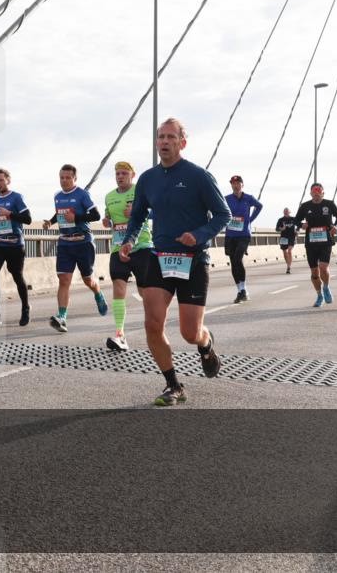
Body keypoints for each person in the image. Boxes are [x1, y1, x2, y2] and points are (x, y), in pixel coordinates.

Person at [120, 118, 231, 406]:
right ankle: (173, 385)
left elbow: (223, 215)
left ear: (183, 142)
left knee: (190, 332)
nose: (165, 142)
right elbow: (138, 215)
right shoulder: (148, 179)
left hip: (194, 260)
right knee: (152, 324)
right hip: (161, 258)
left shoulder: (199, 176)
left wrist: (199, 235)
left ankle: (206, 344)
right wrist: (129, 240)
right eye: (161, 137)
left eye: (171, 137)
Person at [41, 164, 107, 333]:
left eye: (68, 178)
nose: (64, 181)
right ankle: (62, 317)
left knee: (88, 280)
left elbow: (96, 215)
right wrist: (50, 222)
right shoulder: (57, 196)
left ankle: (98, 294)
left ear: (75, 179)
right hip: (65, 243)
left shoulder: (82, 194)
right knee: (64, 280)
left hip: (83, 242)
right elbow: (60, 214)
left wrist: (76, 217)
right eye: (61, 177)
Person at [100, 161, 152, 350]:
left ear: (132, 175)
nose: (120, 177)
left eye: (124, 173)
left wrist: (136, 212)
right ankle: (120, 335)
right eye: (117, 174)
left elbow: (155, 211)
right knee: (118, 287)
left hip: (142, 246)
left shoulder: (141, 190)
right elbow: (109, 217)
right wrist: (106, 220)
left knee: (144, 292)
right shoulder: (109, 196)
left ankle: (154, 328)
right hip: (118, 247)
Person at [0, 168, 32, 326]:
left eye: (1, 180)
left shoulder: (17, 197)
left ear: (8, 180)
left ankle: (25, 308)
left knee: (17, 276)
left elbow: (28, 219)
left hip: (15, 245)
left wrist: (10, 214)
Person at [293, 183, 337, 308]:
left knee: (323, 267)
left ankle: (326, 287)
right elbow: (296, 220)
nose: (316, 194)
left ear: (323, 193)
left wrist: (335, 226)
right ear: (310, 193)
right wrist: (301, 225)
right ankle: (319, 295)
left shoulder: (329, 204)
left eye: (319, 192)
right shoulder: (305, 206)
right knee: (314, 272)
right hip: (311, 242)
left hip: (325, 240)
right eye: (314, 192)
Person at [223, 175, 263, 303]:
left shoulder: (248, 198)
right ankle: (240, 290)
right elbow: (219, 209)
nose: (235, 186)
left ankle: (244, 288)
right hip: (230, 235)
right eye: (233, 184)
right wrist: (224, 220)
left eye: (238, 183)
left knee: (238, 258)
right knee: (233, 262)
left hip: (244, 234)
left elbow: (259, 206)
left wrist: (250, 219)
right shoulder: (226, 199)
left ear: (242, 185)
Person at [275, 207, 298, 274]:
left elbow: (299, 225)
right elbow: (276, 229)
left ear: (289, 212)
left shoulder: (293, 219)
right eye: (285, 211)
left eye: (287, 211)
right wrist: (281, 229)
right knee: (285, 252)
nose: (286, 212)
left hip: (291, 237)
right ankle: (288, 264)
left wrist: (297, 231)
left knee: (289, 251)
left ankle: (288, 266)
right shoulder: (280, 220)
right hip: (283, 237)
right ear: (283, 212)